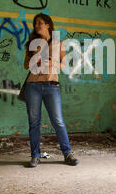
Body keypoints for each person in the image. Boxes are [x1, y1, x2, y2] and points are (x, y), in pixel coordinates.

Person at [23, 13, 79, 168]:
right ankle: (35, 155)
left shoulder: (58, 44)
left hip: (52, 86)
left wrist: (50, 62)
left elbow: (65, 66)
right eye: (35, 24)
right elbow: (26, 65)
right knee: (34, 123)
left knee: (58, 121)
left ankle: (67, 154)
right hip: (32, 86)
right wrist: (35, 59)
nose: (36, 26)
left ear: (48, 25)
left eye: (39, 23)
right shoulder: (31, 44)